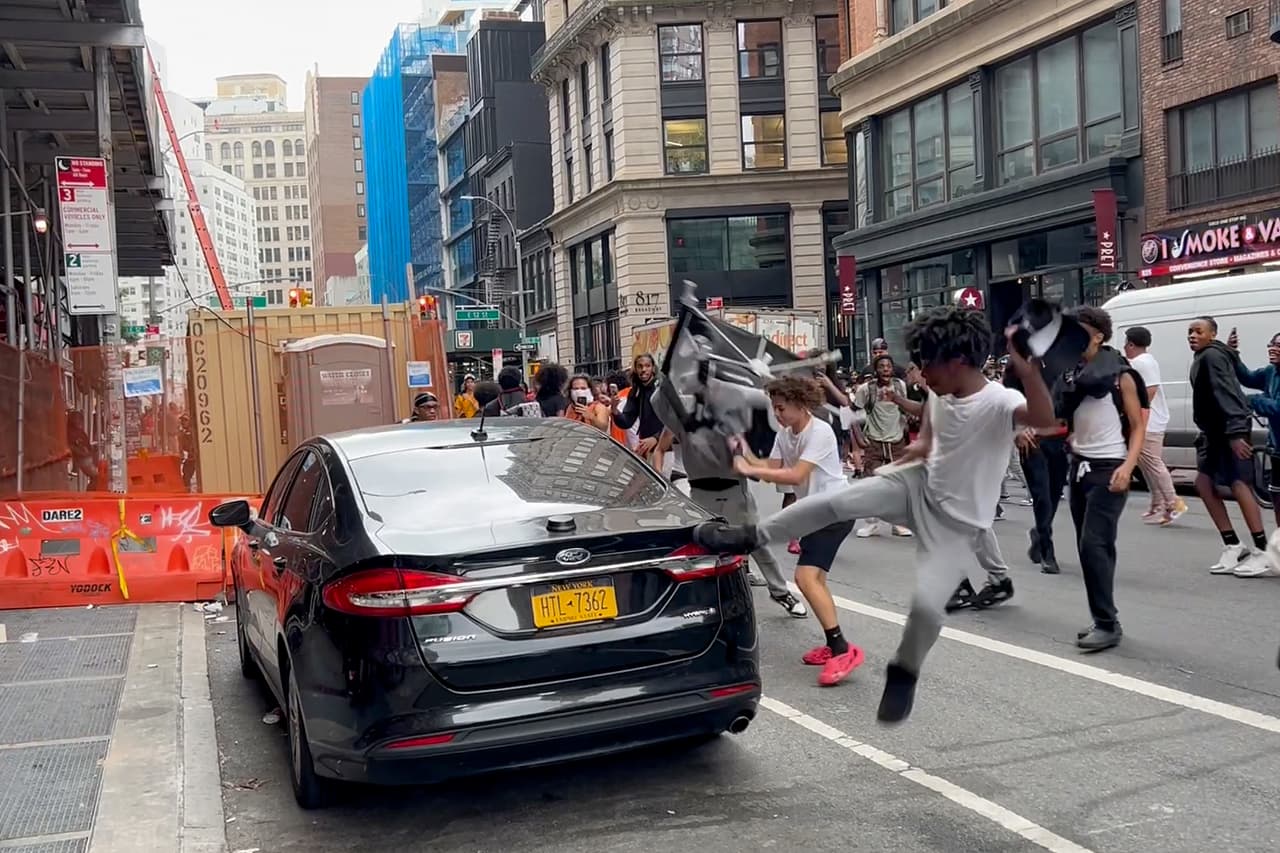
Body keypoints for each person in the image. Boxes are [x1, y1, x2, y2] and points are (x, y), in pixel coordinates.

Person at [695, 305, 1057, 723]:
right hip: (915, 482)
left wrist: (1028, 370)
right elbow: (934, 436)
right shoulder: (941, 394)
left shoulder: (1000, 399)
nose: (919, 373)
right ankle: (749, 538)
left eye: (925, 364)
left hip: (956, 517)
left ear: (957, 362)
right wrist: (912, 454)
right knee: (834, 502)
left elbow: (1044, 420)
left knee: (929, 604)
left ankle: (904, 671)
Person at [732, 375, 861, 685]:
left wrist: (751, 468)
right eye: (774, 409)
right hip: (815, 514)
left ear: (802, 405)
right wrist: (742, 450)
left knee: (805, 578)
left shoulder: (820, 431)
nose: (777, 415)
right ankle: (835, 645)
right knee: (815, 579)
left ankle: (843, 650)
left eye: (782, 408)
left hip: (835, 509)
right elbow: (773, 470)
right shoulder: (786, 435)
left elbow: (796, 475)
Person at [1057, 307, 1147, 651]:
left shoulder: (1119, 375)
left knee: (1093, 544)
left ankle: (1108, 624)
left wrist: (1128, 466)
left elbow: (1139, 427)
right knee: (1090, 547)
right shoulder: (1072, 374)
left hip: (1109, 468)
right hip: (1078, 468)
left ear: (1098, 335)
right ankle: (1103, 618)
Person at [1188, 316, 1272, 576]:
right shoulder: (1211, 354)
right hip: (1213, 433)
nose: (1192, 335)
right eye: (1189, 331)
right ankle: (1233, 544)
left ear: (1211, 334)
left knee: (1239, 483)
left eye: (1198, 331)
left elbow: (1228, 391)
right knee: (1203, 483)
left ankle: (1262, 551)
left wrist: (1236, 433)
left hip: (1229, 430)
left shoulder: (1211, 356)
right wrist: (1231, 350)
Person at [1008, 358, 1070, 574]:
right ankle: (1047, 551)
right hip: (1031, 440)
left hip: (1059, 437)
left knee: (1053, 494)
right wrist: (1017, 430)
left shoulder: (1064, 361)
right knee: (1041, 495)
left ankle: (1039, 531)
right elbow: (1006, 402)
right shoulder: (1016, 366)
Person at [1123, 327, 1188, 525]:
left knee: (1152, 464)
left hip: (1149, 422)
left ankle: (1173, 502)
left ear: (1131, 344)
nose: (1124, 347)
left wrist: (1138, 417)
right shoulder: (1143, 362)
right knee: (1147, 465)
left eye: (1126, 343)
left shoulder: (1142, 363)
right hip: (1150, 421)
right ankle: (1158, 505)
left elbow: (1150, 390)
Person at [853, 354, 914, 538]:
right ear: (876, 370)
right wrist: (858, 437)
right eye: (881, 366)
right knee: (872, 483)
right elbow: (852, 414)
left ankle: (899, 523)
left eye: (888, 366)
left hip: (896, 441)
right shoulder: (866, 389)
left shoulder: (900, 386)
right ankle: (871, 523)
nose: (885, 369)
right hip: (874, 441)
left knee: (899, 484)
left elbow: (905, 408)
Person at [1232, 330, 1280, 529]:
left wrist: (1253, 400)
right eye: (1272, 344)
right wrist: (1233, 354)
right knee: (1276, 496)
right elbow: (1248, 378)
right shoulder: (1271, 371)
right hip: (1276, 448)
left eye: (1278, 345)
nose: (1273, 348)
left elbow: (1277, 408)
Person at [612, 354, 663, 465]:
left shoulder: (663, 388)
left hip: (666, 448)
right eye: (640, 366)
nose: (643, 370)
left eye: (647, 366)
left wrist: (656, 438)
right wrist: (615, 409)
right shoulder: (636, 391)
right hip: (646, 448)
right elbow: (627, 421)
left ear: (653, 368)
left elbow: (674, 420)